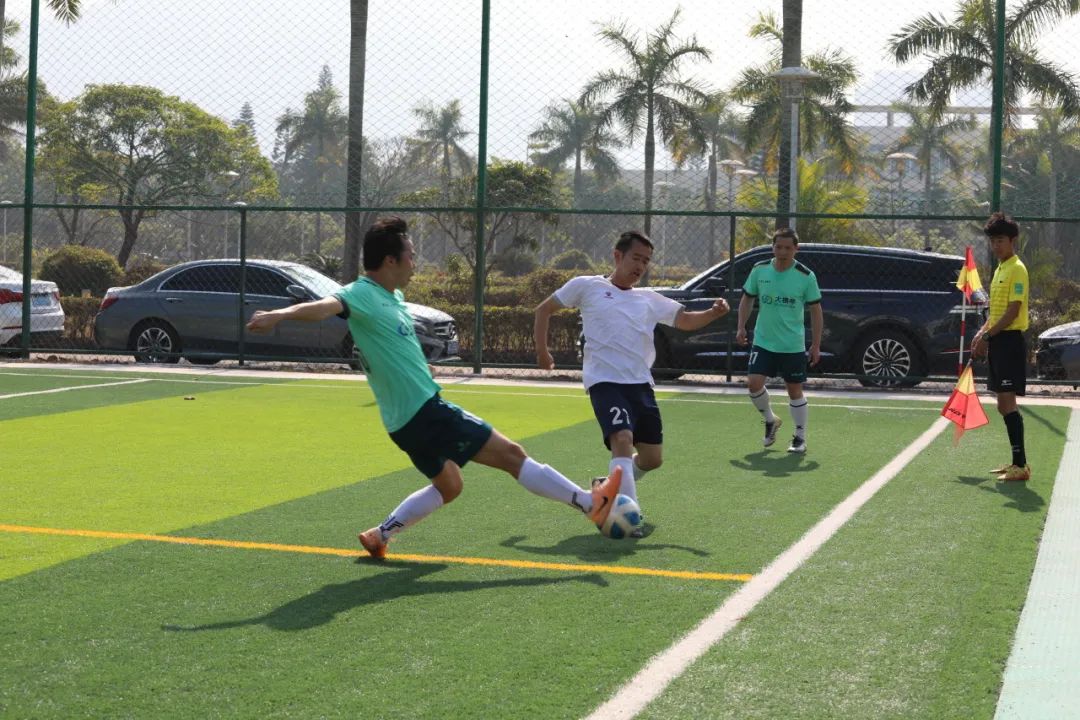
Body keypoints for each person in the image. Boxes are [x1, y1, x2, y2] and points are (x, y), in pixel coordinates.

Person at [247, 216, 622, 559]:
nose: (415, 263)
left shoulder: (392, 298)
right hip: (425, 412)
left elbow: (392, 346)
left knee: (450, 485)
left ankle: (380, 534)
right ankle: (590, 504)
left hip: (403, 423)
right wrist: (278, 315)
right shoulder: (360, 293)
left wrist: (418, 367)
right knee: (512, 455)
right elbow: (324, 307)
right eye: (410, 256)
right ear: (390, 260)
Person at [534, 230, 730, 535]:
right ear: (618, 256)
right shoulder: (587, 286)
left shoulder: (648, 299)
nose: (640, 266)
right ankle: (627, 515)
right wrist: (542, 351)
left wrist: (713, 313)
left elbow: (685, 320)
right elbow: (544, 309)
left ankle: (610, 485)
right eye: (636, 258)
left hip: (640, 385)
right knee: (622, 438)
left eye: (646, 261)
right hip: (604, 382)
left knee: (652, 459)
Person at [735, 227, 823, 453]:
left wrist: (815, 344)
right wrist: (741, 326)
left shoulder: (805, 276)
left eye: (788, 248)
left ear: (796, 249)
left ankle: (800, 437)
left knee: (794, 390)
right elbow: (747, 298)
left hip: (792, 345)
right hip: (763, 341)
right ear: (772, 247)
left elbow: (816, 310)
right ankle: (770, 420)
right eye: (778, 247)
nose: (783, 252)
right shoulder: (759, 270)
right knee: (753, 383)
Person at [971, 212, 1030, 482]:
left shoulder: (1017, 269)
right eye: (993, 241)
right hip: (998, 340)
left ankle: (1021, 465)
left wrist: (987, 337)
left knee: (1007, 402)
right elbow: (995, 312)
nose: (996, 246)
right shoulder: (1000, 269)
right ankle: (1017, 463)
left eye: (1001, 241)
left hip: (1009, 342)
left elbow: (1012, 311)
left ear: (1012, 241)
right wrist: (981, 333)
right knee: (1003, 405)